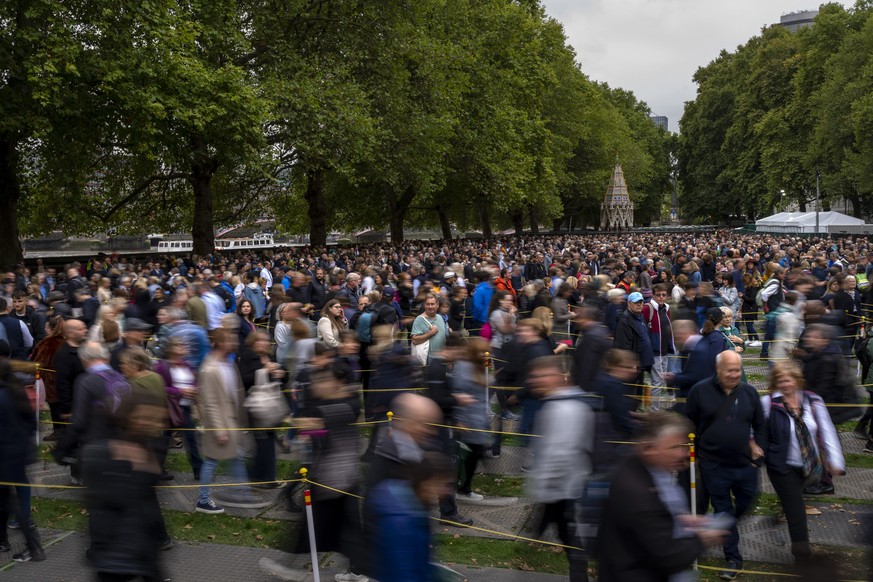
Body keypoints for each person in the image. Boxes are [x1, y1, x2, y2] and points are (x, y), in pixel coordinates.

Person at [597, 411, 727, 582]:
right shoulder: (638, 493)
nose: (684, 454)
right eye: (675, 447)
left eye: (684, 446)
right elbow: (669, 555)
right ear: (649, 448)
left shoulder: (645, 468)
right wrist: (702, 539)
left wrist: (680, 519)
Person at [685, 350, 767, 579]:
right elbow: (689, 422)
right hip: (714, 466)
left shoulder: (750, 392)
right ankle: (733, 558)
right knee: (723, 508)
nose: (734, 374)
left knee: (744, 504)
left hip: (745, 466)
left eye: (738, 370)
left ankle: (716, 528)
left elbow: (760, 424)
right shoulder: (699, 391)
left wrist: (759, 450)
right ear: (718, 369)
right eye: (729, 370)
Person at [761, 361, 845, 562]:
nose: (785, 384)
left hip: (810, 465)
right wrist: (753, 445)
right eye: (780, 381)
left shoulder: (813, 401)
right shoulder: (767, 403)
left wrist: (836, 461)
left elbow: (827, 430)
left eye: (788, 380)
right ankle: (802, 555)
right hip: (782, 465)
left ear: (797, 381)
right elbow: (753, 427)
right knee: (796, 508)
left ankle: (783, 510)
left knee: (794, 501)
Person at [81, 391, 167, 581]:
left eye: (156, 419)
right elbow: (98, 499)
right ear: (130, 416)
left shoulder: (152, 449)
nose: (151, 423)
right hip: (114, 550)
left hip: (143, 548)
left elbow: (146, 498)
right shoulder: (102, 452)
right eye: (145, 417)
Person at [526, 355, 592, 582]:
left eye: (541, 375)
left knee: (570, 536)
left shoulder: (562, 408)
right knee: (568, 535)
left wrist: (545, 486)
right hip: (564, 487)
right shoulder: (558, 404)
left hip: (564, 487)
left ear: (558, 377)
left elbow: (560, 453)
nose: (535, 380)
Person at [368, 453, 454, 582]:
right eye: (443, 484)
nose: (447, 491)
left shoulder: (417, 506)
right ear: (427, 483)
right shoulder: (399, 522)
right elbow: (402, 572)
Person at [196, 329, 251, 514]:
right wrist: (219, 430)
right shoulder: (210, 368)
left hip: (230, 422)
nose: (234, 343)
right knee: (211, 461)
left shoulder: (227, 363)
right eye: (230, 340)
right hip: (219, 424)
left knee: (237, 456)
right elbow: (210, 402)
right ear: (221, 343)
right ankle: (203, 501)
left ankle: (243, 492)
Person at [0, 358, 46, 563]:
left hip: (5, 456)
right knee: (7, 501)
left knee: (11, 504)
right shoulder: (16, 390)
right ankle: (5, 541)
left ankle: (33, 547)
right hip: (18, 453)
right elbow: (31, 422)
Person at [237, 331, 286, 487]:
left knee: (265, 443)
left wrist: (281, 373)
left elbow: (282, 378)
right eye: (259, 341)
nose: (264, 343)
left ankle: (256, 475)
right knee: (265, 443)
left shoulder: (270, 357)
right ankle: (268, 479)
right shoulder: (247, 357)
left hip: (270, 406)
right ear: (253, 342)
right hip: (256, 407)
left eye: (266, 340)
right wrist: (265, 371)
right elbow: (244, 379)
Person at [154, 337, 202, 480]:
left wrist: (194, 389)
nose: (182, 347)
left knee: (191, 439)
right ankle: (157, 470)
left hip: (185, 408)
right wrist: (180, 391)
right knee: (165, 440)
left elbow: (194, 382)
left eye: (182, 344)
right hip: (169, 408)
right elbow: (159, 387)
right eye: (177, 344)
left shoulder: (187, 365)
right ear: (170, 348)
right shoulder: (162, 367)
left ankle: (198, 469)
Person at [452, 337, 490, 501]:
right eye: (481, 351)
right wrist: (458, 421)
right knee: (467, 456)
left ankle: (464, 486)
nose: (484, 354)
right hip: (467, 420)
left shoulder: (478, 367)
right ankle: (462, 487)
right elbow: (457, 393)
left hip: (478, 419)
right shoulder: (462, 367)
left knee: (475, 454)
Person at [641, 284, 675, 408]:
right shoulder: (647, 308)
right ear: (653, 295)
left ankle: (656, 408)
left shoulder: (666, 308)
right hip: (654, 351)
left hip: (665, 350)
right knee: (657, 381)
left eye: (663, 295)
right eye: (658, 295)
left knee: (661, 381)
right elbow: (641, 327)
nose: (661, 297)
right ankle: (654, 411)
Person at [613, 291, 654, 386]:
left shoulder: (641, 317)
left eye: (641, 302)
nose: (639, 304)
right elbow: (623, 345)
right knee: (631, 391)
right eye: (636, 302)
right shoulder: (624, 321)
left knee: (639, 390)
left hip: (642, 364)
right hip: (632, 365)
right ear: (629, 303)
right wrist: (630, 364)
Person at [572, 305, 611, 392]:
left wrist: (582, 389)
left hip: (589, 388)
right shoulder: (600, 331)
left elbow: (586, 366)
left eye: (580, 318)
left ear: (587, 318)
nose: (577, 321)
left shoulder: (591, 337)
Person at [410, 293, 447, 364]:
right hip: (428, 362)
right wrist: (430, 333)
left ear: (437, 305)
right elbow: (415, 340)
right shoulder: (419, 319)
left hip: (441, 359)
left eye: (432, 304)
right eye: (428, 304)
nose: (430, 307)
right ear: (424, 305)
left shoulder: (440, 317)